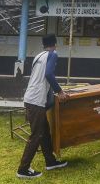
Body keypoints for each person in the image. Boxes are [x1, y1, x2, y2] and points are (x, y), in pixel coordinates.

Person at [17, 33, 69, 179]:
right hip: (36, 100)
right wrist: (60, 92)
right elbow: (49, 75)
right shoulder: (52, 54)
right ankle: (23, 169)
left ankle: (50, 161)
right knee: (37, 135)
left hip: (31, 97)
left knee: (44, 131)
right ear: (55, 44)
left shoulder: (38, 56)